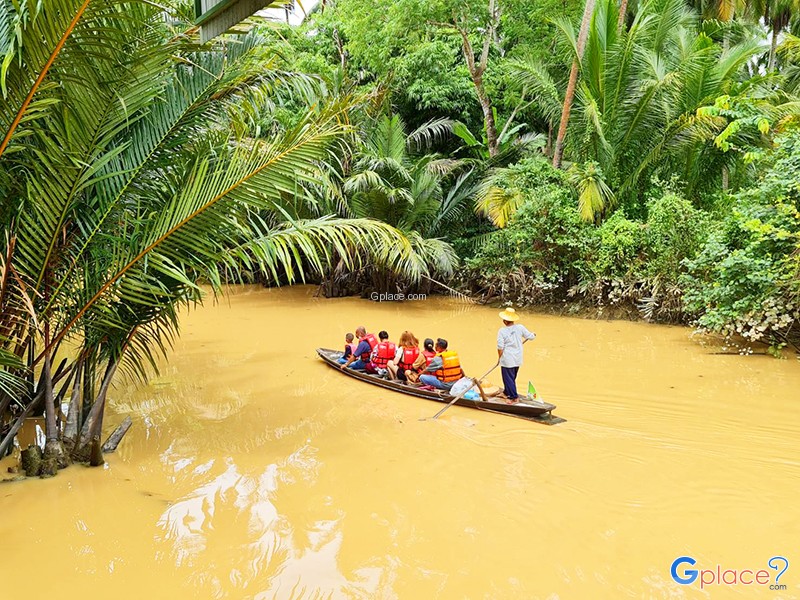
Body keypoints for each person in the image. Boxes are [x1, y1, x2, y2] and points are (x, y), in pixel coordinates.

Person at [496, 307, 536, 403]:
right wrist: (533, 334)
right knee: (511, 377)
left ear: (505, 321)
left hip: (507, 359)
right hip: (517, 358)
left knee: (508, 378)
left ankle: (513, 397)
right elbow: (530, 337)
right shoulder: (520, 327)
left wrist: (500, 358)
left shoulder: (502, 331)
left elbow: (500, 347)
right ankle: (506, 392)